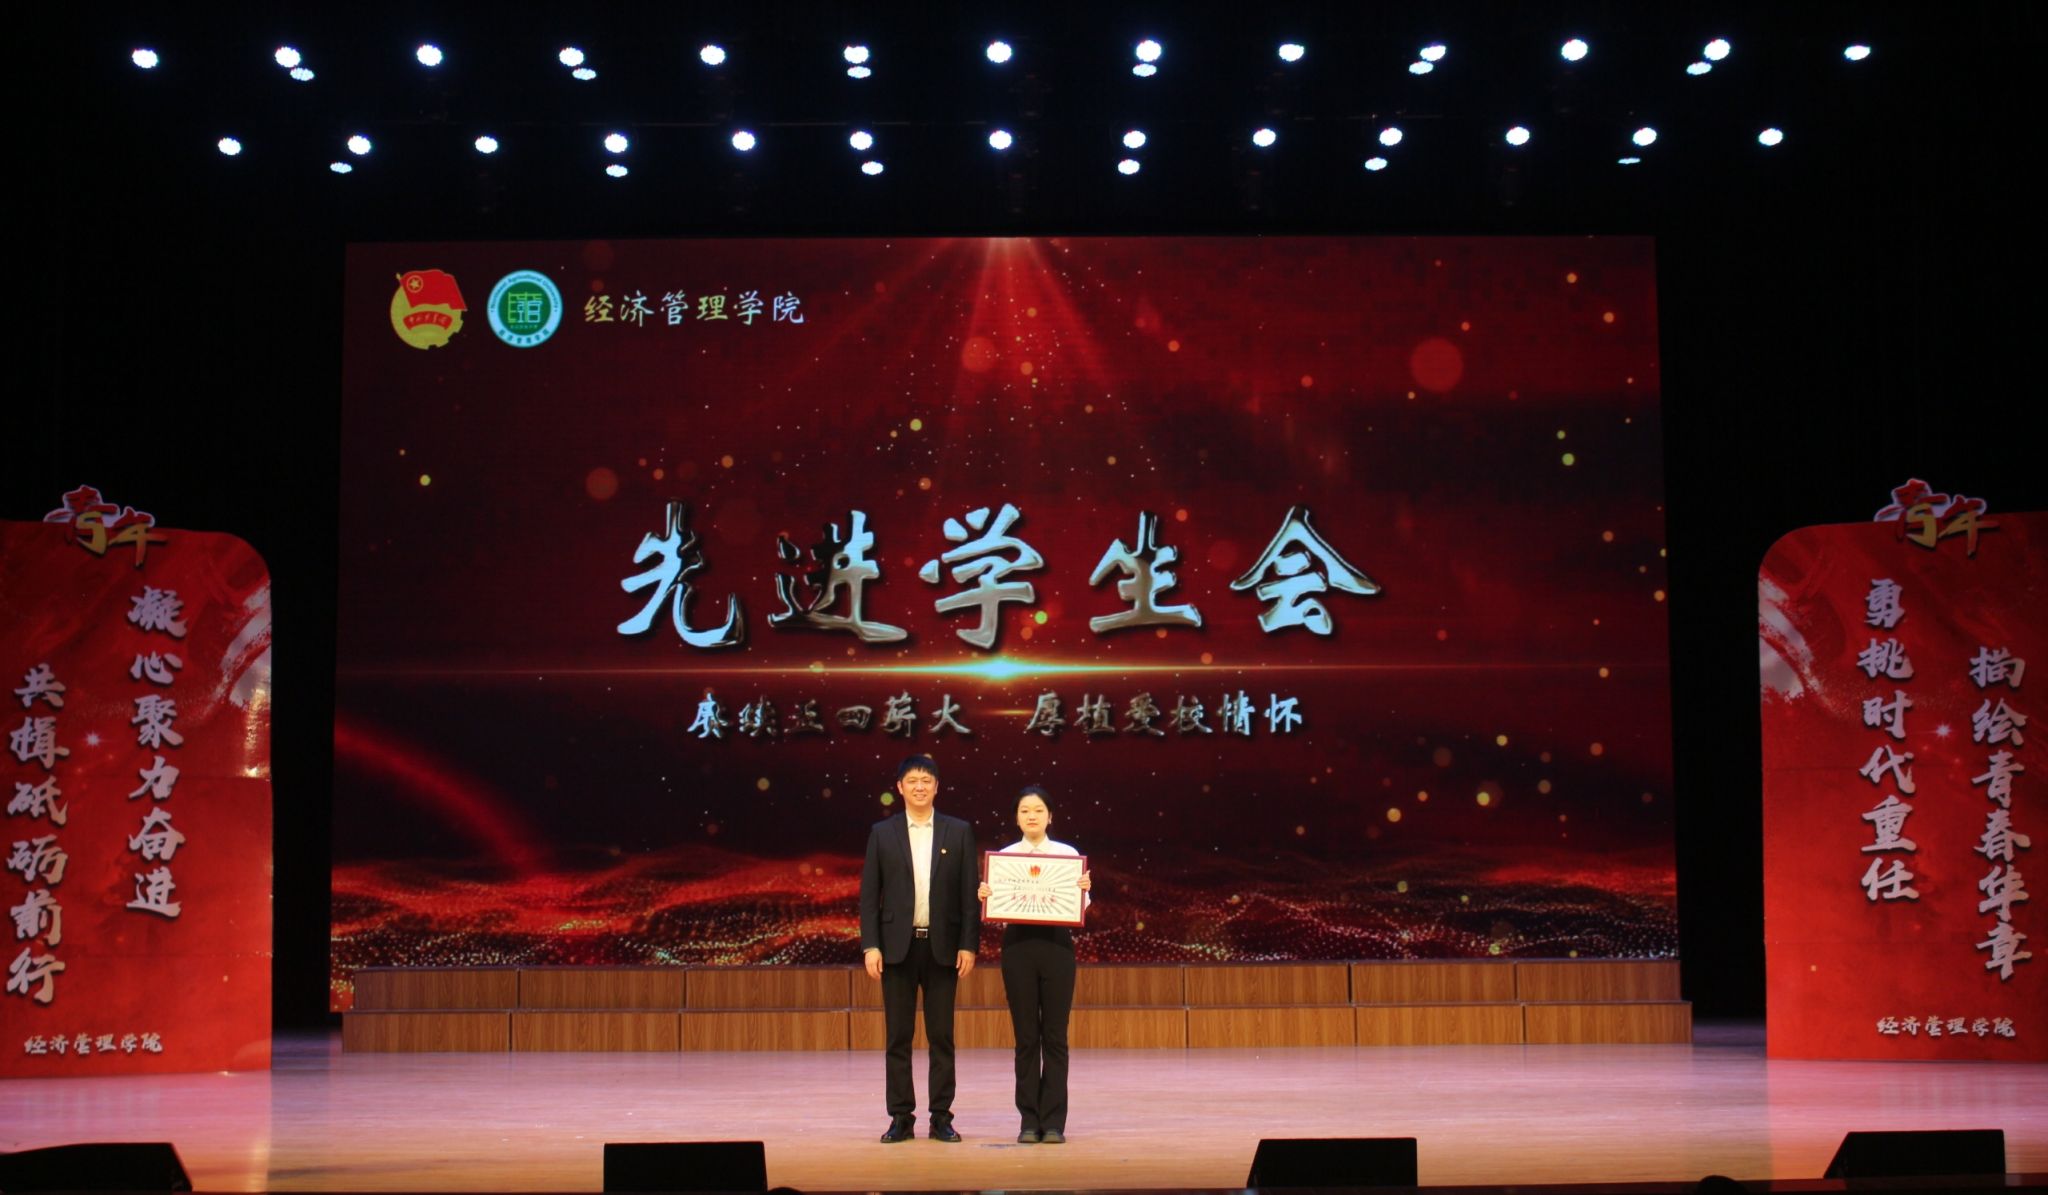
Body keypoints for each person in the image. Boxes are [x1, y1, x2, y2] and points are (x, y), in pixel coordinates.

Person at [859, 754, 980, 1143]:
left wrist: (968, 945)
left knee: (942, 1037)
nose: (920, 786)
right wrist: (871, 945)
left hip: (943, 948)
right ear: (900, 787)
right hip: (897, 948)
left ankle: (941, 1116)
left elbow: (968, 895)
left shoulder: (958, 832)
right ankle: (901, 1116)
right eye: (912, 780)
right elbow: (869, 896)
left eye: (927, 780)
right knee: (898, 1037)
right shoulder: (882, 833)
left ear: (937, 787)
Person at [977, 785, 1092, 1144]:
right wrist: (987, 895)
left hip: (1057, 948)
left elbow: (1082, 905)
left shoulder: (1067, 855)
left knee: (1055, 1037)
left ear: (1050, 816)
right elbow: (997, 910)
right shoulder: (1005, 857)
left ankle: (1054, 1122)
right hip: (1018, 948)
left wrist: (1082, 888)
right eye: (1025, 810)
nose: (1032, 816)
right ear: (1016, 817)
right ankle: (1029, 1120)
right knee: (1026, 1037)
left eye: (1038, 810)